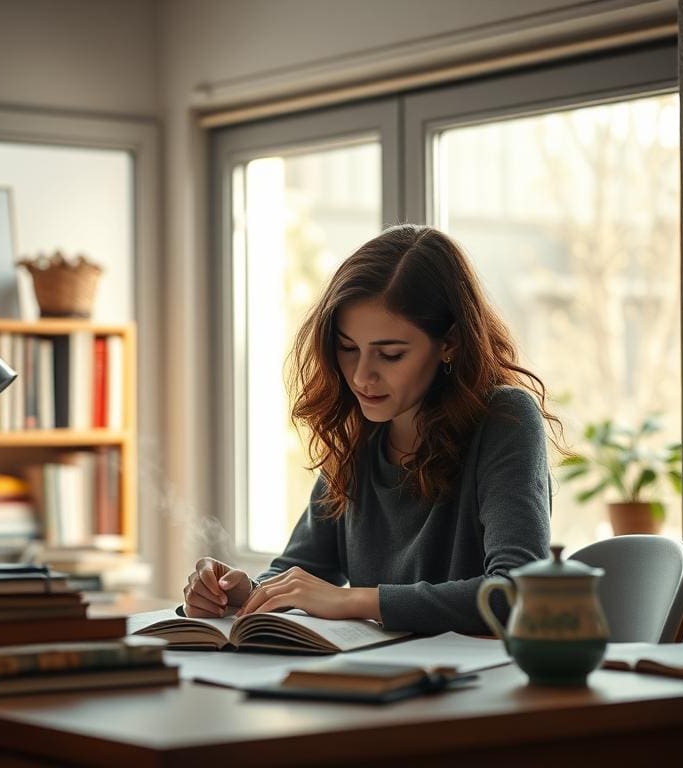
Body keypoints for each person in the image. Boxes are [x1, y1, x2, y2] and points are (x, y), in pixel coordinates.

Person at [184, 224, 560, 634]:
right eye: (348, 349)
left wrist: (353, 599)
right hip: (375, 682)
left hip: (476, 687)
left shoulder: (505, 419)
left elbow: (518, 591)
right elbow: (304, 570)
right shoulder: (358, 432)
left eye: (391, 354)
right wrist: (240, 591)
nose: (362, 377)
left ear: (450, 343)